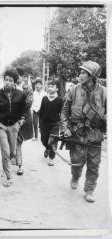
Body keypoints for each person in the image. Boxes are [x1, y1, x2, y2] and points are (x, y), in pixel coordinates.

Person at [61, 61, 106, 203]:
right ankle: (75, 176)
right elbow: (64, 111)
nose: (80, 75)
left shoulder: (104, 92)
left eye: (83, 73)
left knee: (94, 164)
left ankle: (89, 190)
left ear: (92, 75)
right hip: (76, 133)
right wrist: (65, 128)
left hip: (95, 135)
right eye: (80, 72)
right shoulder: (73, 90)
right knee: (76, 162)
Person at [0, 69, 27, 187]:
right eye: (6, 80)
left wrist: (22, 119)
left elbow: (24, 109)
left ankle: (13, 157)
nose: (7, 82)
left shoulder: (20, 94)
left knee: (12, 151)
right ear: (3, 80)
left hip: (14, 125)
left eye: (10, 80)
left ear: (14, 82)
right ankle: (8, 176)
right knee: (5, 152)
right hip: (1, 125)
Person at [38, 81, 63, 166]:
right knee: (43, 140)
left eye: (52, 86)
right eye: (49, 86)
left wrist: (61, 124)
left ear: (57, 89)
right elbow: (41, 112)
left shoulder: (60, 100)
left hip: (55, 124)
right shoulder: (44, 98)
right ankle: (47, 148)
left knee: (53, 141)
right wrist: (39, 124)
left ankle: (51, 158)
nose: (50, 88)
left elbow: (62, 113)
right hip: (44, 123)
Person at [14, 76, 34, 176]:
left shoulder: (29, 90)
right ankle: (14, 158)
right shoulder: (12, 88)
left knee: (18, 142)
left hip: (24, 119)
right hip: (12, 119)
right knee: (12, 142)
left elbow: (28, 103)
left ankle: (20, 165)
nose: (23, 81)